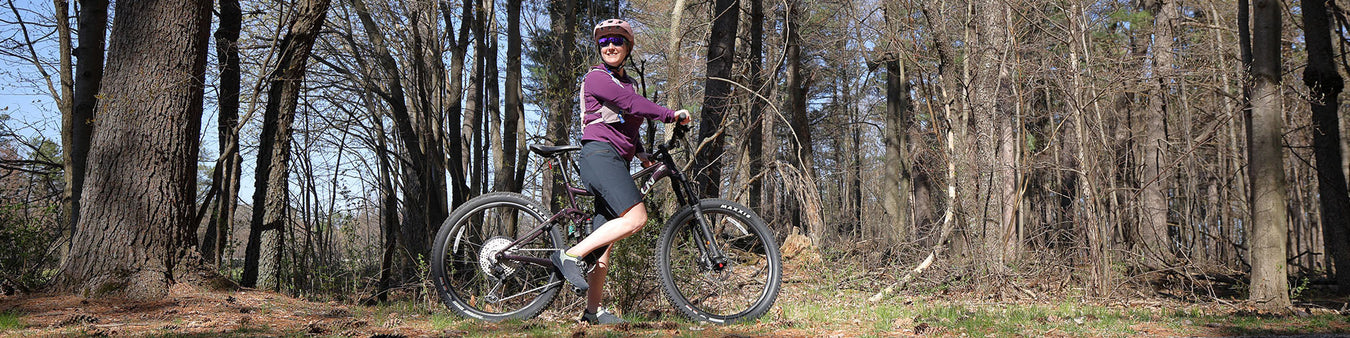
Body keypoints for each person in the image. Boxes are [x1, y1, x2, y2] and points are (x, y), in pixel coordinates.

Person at [550, 18, 691, 325]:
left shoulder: (627, 83)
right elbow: (631, 104)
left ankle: (592, 312)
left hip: (617, 159)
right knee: (637, 218)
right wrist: (670, 114)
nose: (610, 46)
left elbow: (629, 125)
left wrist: (642, 156)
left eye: (617, 41)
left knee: (605, 242)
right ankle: (569, 255)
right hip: (600, 155)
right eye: (604, 42)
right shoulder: (598, 77)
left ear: (628, 48)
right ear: (599, 48)